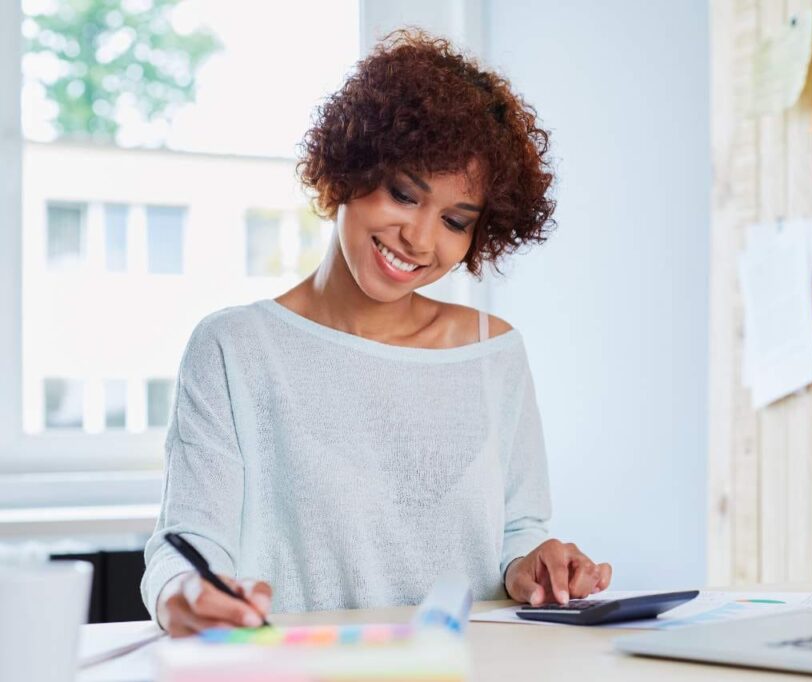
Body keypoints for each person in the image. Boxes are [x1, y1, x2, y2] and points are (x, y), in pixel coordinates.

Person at [141, 30, 612, 637]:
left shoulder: (492, 353)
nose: (419, 238)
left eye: (453, 220)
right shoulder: (235, 349)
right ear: (348, 169)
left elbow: (517, 532)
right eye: (403, 193)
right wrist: (187, 594)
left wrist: (536, 564)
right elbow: (185, 545)